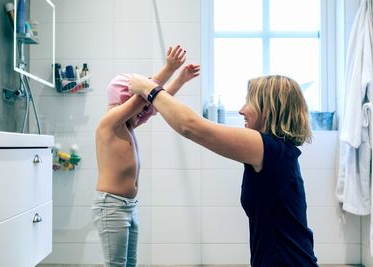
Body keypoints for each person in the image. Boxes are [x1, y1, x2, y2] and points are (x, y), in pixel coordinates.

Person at [128, 74, 318, 266]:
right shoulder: (277, 152)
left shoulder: (270, 149)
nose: (241, 110)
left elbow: (190, 126)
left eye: (248, 102)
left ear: (269, 109)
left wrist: (148, 88)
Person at [91, 45, 201, 267]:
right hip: (111, 205)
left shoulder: (127, 127)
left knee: (129, 264)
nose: (142, 113)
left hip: (128, 205)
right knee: (116, 265)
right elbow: (143, 98)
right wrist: (168, 68)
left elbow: (154, 103)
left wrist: (180, 80)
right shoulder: (110, 122)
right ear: (124, 102)